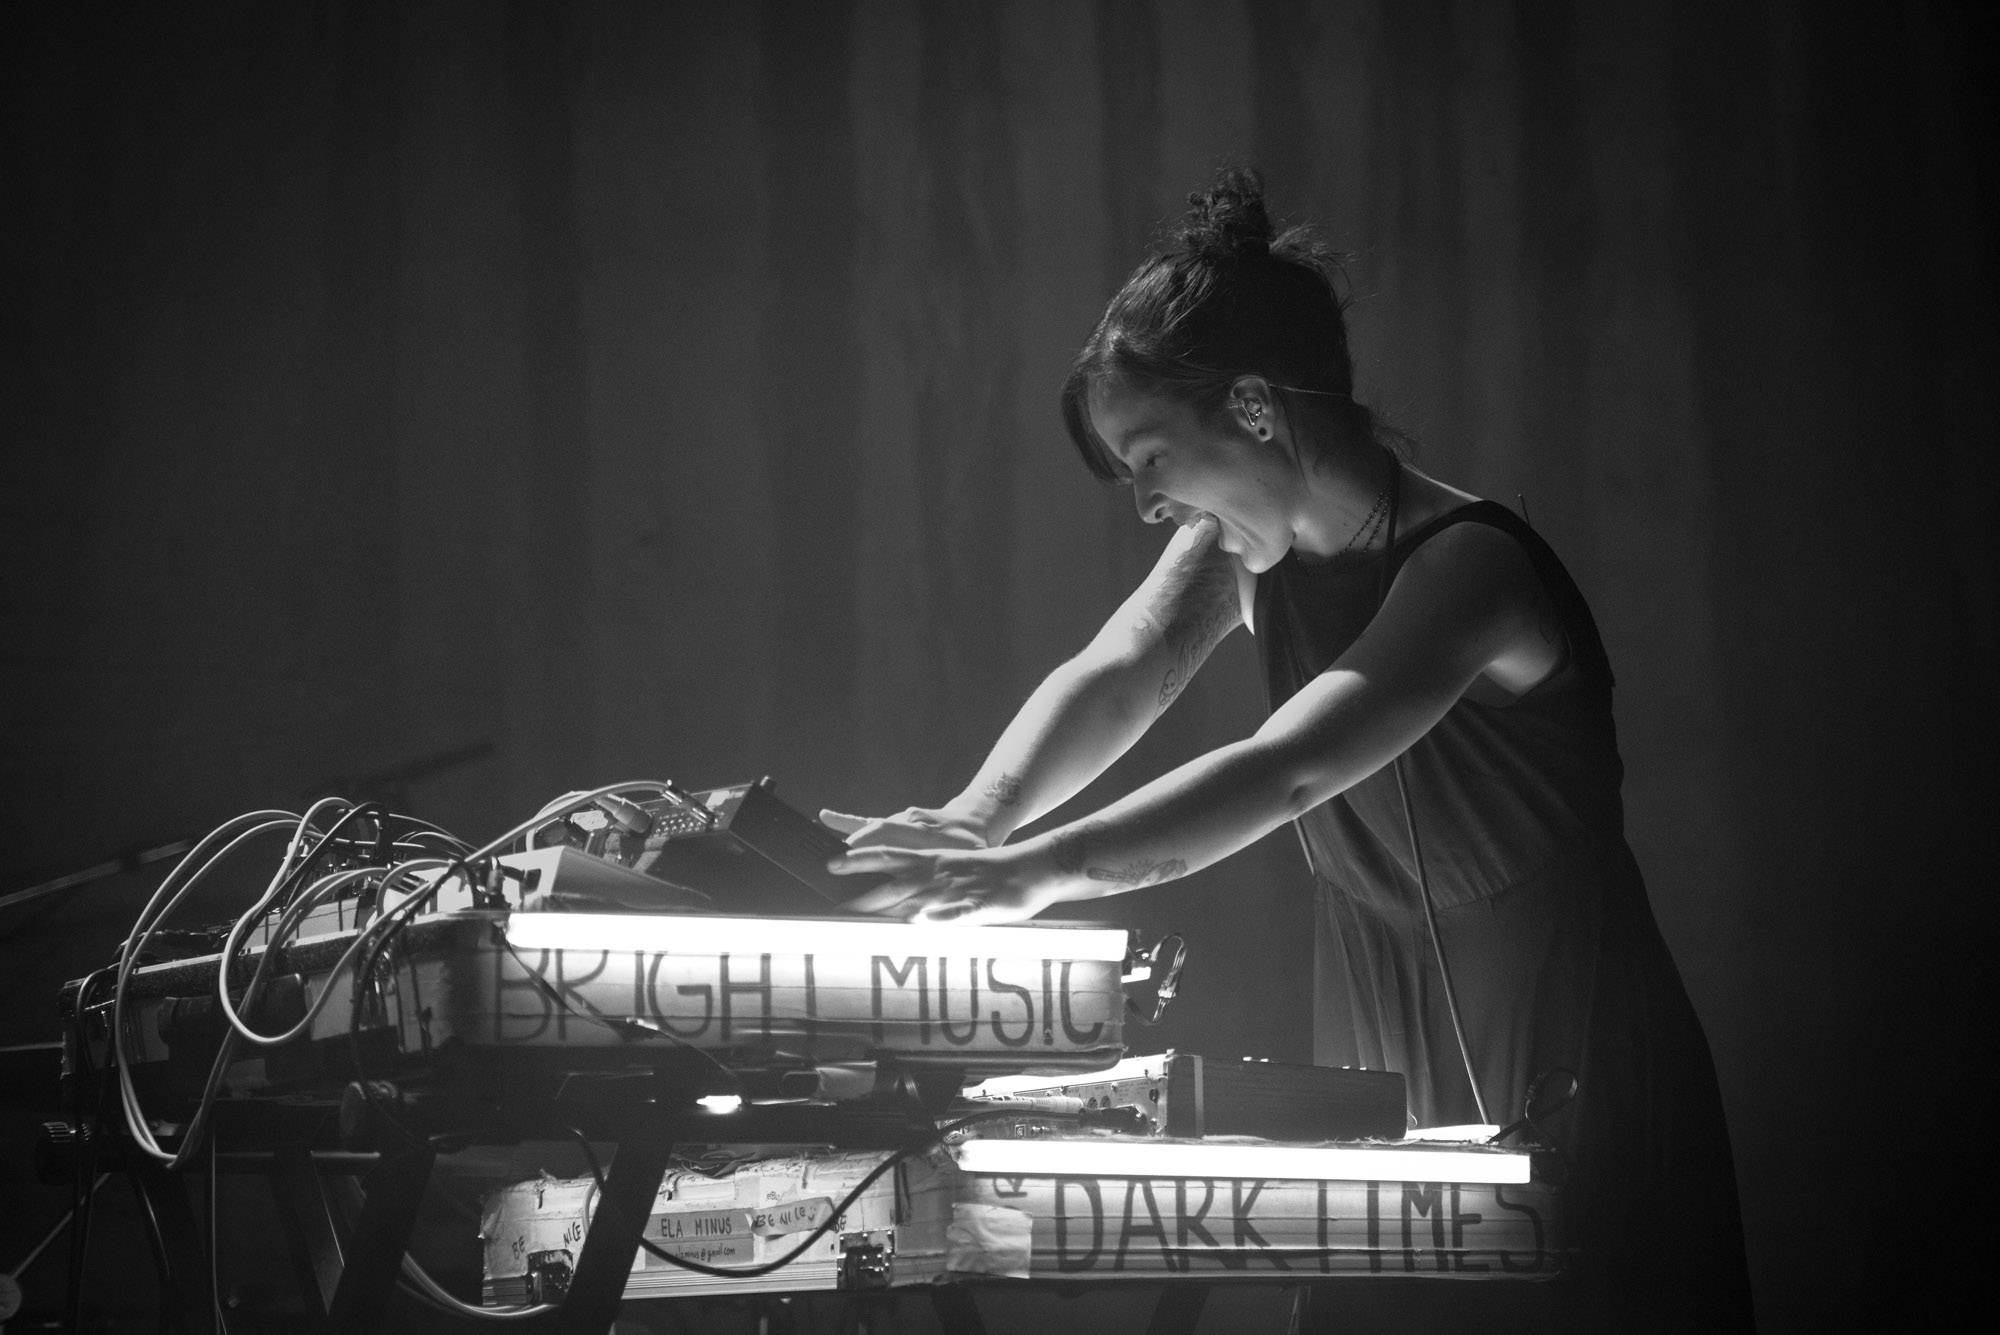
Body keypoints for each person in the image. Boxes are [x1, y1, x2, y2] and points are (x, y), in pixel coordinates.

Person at [822, 168, 1750, 1326]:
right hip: (1374, 1013)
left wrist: (1028, 873)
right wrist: (973, 819)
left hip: (1565, 1034)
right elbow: (1121, 672)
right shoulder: (1240, 550)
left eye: (1149, 456)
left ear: (1255, 408)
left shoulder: (1473, 568)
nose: (1145, 504)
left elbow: (1288, 767)